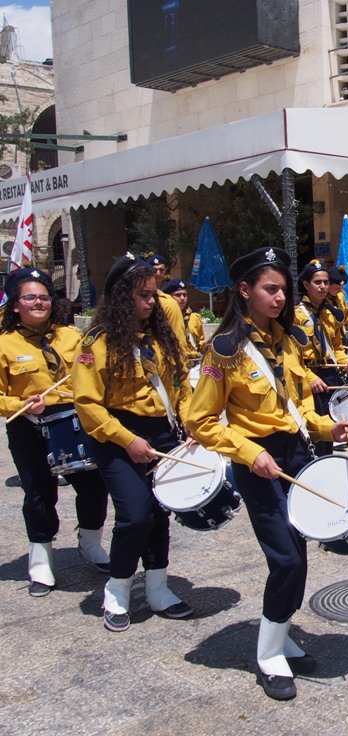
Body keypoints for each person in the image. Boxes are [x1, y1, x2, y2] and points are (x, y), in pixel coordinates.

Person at [185, 247, 348, 701]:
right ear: (245, 291)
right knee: (286, 557)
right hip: (256, 462)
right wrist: (246, 452)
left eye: (282, 289)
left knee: (299, 549)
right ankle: (268, 653)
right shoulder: (225, 350)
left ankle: (281, 632)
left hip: (295, 453)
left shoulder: (289, 339)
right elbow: (198, 421)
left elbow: (295, 403)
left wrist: (324, 425)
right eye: (270, 289)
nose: (279, 298)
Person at [71, 252, 194, 632]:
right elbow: (88, 404)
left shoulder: (160, 339)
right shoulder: (97, 342)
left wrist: (189, 422)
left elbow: (180, 386)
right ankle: (118, 589)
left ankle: (157, 588)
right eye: (143, 295)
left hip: (160, 431)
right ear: (121, 296)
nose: (151, 302)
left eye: (153, 295)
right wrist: (127, 441)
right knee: (134, 513)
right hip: (115, 435)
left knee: (159, 513)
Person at [0, 267, 110, 598]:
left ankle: (90, 545)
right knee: (39, 493)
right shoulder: (4, 344)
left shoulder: (72, 337)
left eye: (44, 296)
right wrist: (19, 402)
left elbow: (94, 371)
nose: (38, 302)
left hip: (75, 420)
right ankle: (41, 561)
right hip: (28, 425)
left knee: (94, 485)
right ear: (16, 304)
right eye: (30, 297)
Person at [293, 259, 348, 456]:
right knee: (311, 434)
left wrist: (346, 362)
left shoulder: (331, 314)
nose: (323, 287)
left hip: (330, 375)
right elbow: (291, 356)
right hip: (307, 377)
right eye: (317, 282)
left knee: (332, 426)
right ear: (306, 285)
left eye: (325, 282)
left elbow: (336, 347)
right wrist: (310, 378)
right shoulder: (295, 315)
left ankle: (326, 461)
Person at [146, 254, 191, 353]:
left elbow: (178, 337)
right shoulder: (146, 300)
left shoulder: (169, 302)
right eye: (154, 270)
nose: (158, 273)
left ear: (166, 270)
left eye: (161, 270)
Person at [163, 278, 205, 358]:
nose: (182, 298)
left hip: (194, 361)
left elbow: (200, 341)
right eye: (177, 295)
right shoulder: (166, 319)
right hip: (175, 360)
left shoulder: (194, 317)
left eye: (184, 295)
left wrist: (204, 345)